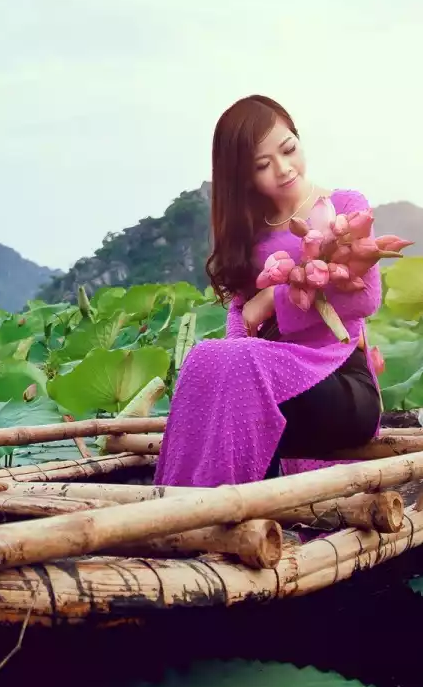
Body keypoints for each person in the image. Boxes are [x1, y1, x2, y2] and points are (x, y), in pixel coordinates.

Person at [152, 94, 385, 488]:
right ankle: (190, 509)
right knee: (205, 356)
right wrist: (248, 321)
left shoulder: (344, 207)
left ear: (298, 137)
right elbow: (240, 321)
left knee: (236, 363)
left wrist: (273, 300)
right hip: (270, 387)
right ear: (243, 177)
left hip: (342, 386)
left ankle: (216, 511)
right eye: (262, 165)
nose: (282, 169)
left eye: (289, 149)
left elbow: (365, 298)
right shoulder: (249, 235)